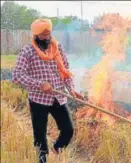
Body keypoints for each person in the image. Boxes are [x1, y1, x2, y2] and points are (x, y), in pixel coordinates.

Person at [12, 18, 84, 163]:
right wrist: (40, 84)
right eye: (43, 34)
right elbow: (17, 76)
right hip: (38, 100)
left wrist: (71, 89)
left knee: (68, 130)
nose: (47, 37)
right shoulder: (27, 51)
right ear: (36, 35)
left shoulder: (58, 48)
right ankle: (42, 160)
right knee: (40, 138)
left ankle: (56, 148)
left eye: (49, 33)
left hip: (59, 97)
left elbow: (66, 71)